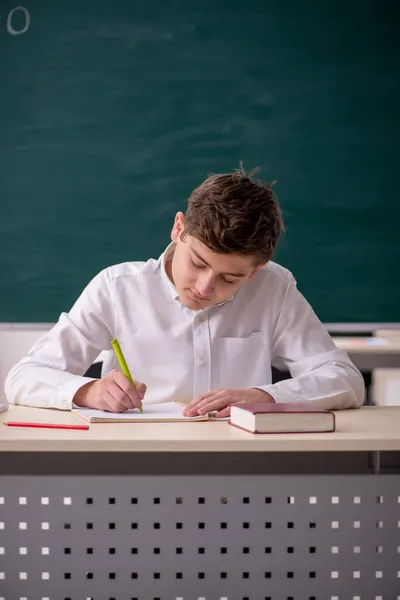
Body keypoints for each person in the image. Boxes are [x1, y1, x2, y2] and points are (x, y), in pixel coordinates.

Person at [5, 167, 364, 416]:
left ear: (256, 270)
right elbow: (24, 377)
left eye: (230, 279)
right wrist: (88, 391)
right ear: (179, 228)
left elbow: (345, 380)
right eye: (198, 262)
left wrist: (264, 396)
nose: (205, 287)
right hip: (134, 473)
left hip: (243, 474)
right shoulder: (118, 288)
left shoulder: (274, 287)